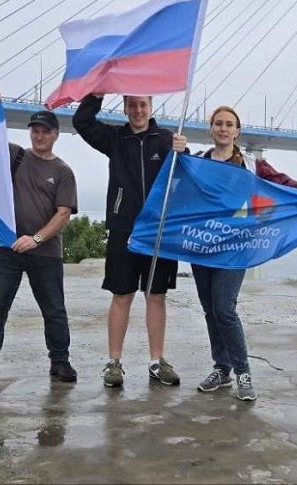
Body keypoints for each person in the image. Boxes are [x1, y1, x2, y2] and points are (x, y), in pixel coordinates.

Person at [192, 106, 297, 401]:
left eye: (229, 124)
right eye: (218, 123)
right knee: (210, 310)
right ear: (211, 129)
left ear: (237, 131)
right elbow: (176, 188)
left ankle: (243, 372)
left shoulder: (252, 165)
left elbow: (284, 185)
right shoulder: (198, 161)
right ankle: (221, 368)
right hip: (204, 244)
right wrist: (176, 152)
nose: (223, 128)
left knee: (224, 309)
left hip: (236, 247)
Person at [73, 94, 187, 388]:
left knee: (156, 295)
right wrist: (97, 94)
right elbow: (81, 122)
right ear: (124, 108)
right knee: (122, 295)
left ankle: (156, 361)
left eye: (143, 105)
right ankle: (114, 362)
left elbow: (183, 175)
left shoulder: (166, 139)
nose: (138, 110)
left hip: (158, 231)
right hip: (124, 229)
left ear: (151, 107)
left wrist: (183, 151)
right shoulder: (114, 138)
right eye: (132, 105)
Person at [0, 110, 79, 387]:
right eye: (35, 130)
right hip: (8, 249)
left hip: (45, 253)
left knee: (54, 309)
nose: (39, 136)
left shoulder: (63, 171)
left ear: (55, 134)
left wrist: (36, 239)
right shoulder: (15, 155)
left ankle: (60, 361)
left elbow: (63, 213)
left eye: (45, 131)